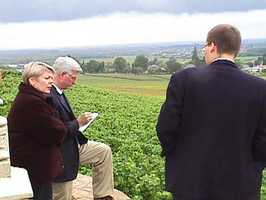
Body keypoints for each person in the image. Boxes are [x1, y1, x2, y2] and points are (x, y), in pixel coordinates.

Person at [156, 24, 266, 200]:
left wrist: (180, 157)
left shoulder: (184, 80)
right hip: (241, 186)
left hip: (190, 182)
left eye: (206, 47)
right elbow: (263, 142)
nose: (205, 51)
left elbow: (165, 128)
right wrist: (251, 168)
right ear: (236, 51)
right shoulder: (260, 88)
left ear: (213, 46)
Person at [51, 56, 114, 200]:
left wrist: (80, 124)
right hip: (61, 150)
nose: (75, 82)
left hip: (71, 142)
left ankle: (102, 195)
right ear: (62, 75)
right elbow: (56, 132)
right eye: (72, 78)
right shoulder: (50, 95)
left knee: (103, 151)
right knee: (62, 193)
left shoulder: (59, 92)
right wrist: (78, 123)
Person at [8, 62, 67, 200]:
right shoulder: (33, 103)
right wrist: (61, 126)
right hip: (35, 166)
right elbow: (56, 132)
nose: (51, 82)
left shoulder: (30, 98)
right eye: (47, 78)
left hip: (33, 164)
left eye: (52, 78)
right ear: (32, 81)